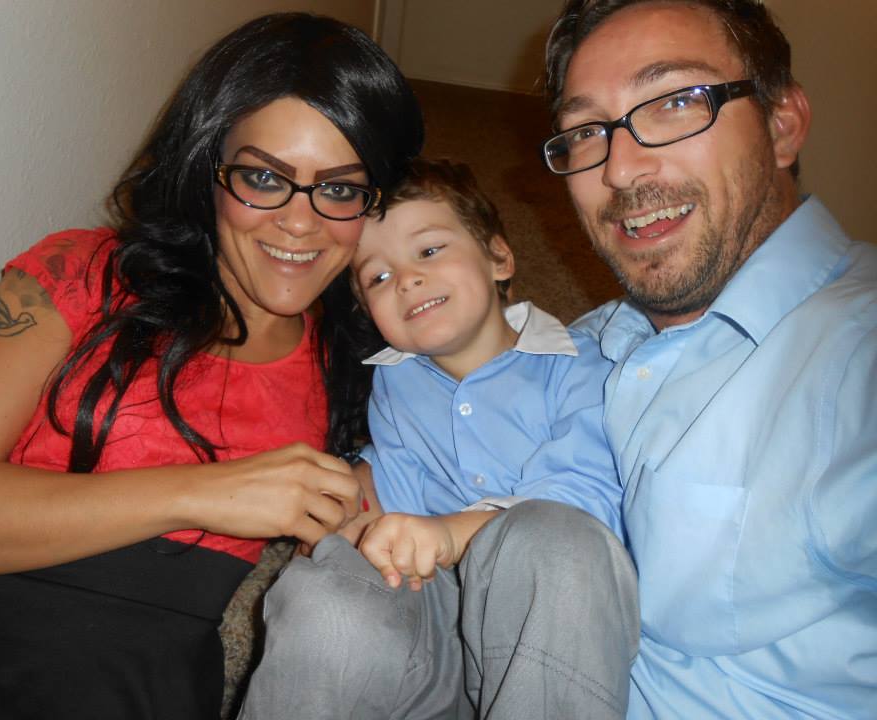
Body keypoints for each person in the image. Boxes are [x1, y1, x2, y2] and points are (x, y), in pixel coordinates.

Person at [0, 13, 423, 719]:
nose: (299, 222)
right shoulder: (84, 274)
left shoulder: (362, 365)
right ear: (205, 169)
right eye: (262, 178)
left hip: (139, 685)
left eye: (339, 189)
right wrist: (198, 493)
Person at [542, 0, 877, 717]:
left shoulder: (858, 354)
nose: (621, 168)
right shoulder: (588, 337)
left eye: (675, 102)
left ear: (781, 125)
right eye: (587, 131)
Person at [238, 158, 639, 719]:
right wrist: (355, 519)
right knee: (323, 588)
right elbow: (397, 484)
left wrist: (450, 533)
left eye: (428, 250)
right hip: (433, 623)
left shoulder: (583, 366)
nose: (405, 279)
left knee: (559, 540)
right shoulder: (394, 381)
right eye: (377, 278)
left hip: (546, 633)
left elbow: (588, 498)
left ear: (499, 258)